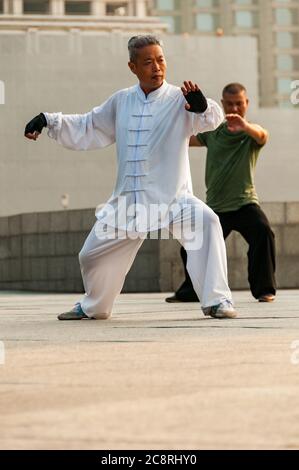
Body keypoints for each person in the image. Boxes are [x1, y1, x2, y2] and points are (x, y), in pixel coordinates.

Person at [25, 35, 237, 320]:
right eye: (148, 62)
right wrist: (48, 119)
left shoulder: (179, 99)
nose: (157, 67)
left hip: (173, 199)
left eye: (160, 60)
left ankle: (216, 301)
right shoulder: (121, 101)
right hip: (128, 203)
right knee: (90, 255)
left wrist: (202, 107)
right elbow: (89, 125)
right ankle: (95, 306)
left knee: (208, 222)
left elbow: (211, 120)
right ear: (133, 66)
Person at [166, 83, 276, 304]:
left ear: (246, 104)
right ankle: (191, 291)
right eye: (230, 103)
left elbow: (263, 135)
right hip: (217, 205)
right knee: (191, 244)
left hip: (245, 203)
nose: (235, 107)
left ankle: (264, 290)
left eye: (239, 103)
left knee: (263, 233)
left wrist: (245, 126)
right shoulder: (214, 132)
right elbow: (187, 140)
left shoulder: (250, 134)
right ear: (223, 104)